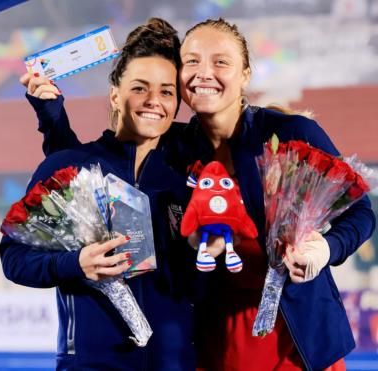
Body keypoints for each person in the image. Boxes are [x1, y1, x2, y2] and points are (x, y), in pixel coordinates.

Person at [21, 18, 375, 371]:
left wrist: (326, 249)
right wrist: (52, 118)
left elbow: (359, 212)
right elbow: (89, 174)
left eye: (220, 61)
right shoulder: (173, 147)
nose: (204, 72)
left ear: (245, 74)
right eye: (192, 61)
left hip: (296, 339)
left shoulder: (292, 132)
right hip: (213, 340)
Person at [0, 18, 196, 371]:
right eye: (140, 88)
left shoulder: (191, 171)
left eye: (167, 91)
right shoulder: (71, 167)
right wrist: (76, 264)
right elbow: (14, 258)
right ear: (114, 94)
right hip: (91, 364)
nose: (154, 101)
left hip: (180, 362)